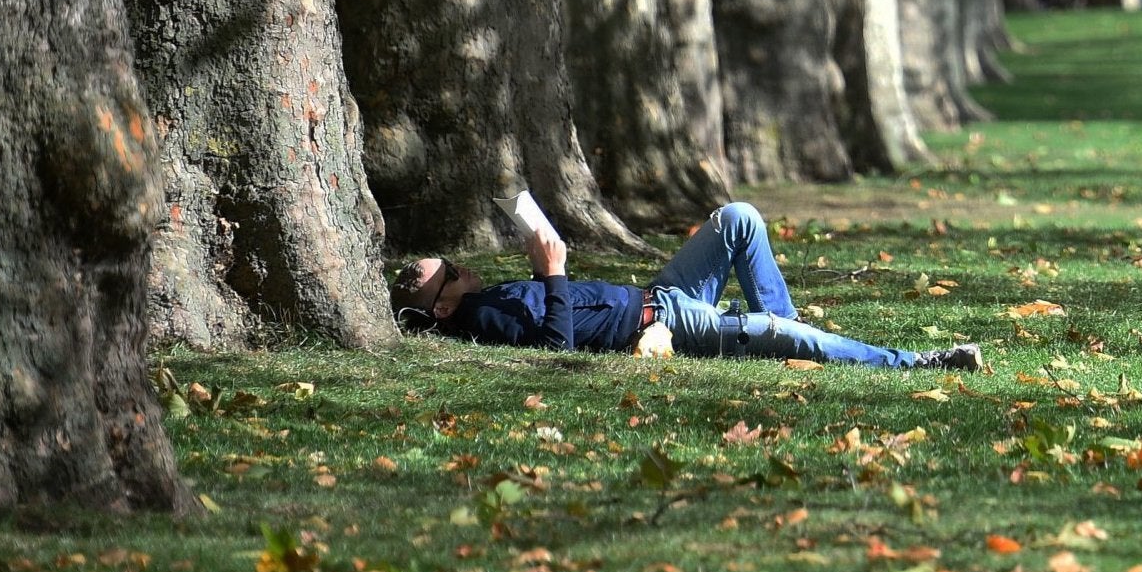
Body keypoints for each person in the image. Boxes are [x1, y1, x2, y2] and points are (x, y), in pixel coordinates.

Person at [390, 200, 982, 371]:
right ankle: (917, 362)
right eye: (442, 273)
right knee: (778, 332)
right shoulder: (479, 321)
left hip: (666, 293)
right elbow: (555, 348)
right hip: (662, 324)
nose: (456, 265)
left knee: (739, 218)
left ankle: (788, 340)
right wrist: (552, 273)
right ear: (441, 306)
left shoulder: (484, 298)